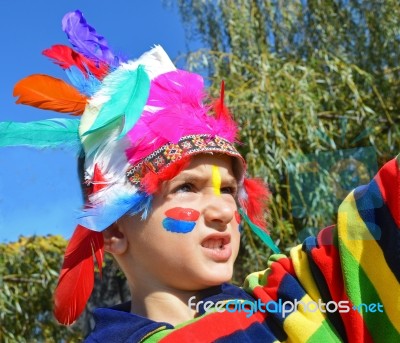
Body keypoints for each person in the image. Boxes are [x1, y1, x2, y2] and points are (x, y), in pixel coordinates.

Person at [1, 9, 399, 343]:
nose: (223, 210)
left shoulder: (293, 305)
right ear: (115, 231)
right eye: (186, 187)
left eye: (229, 189)